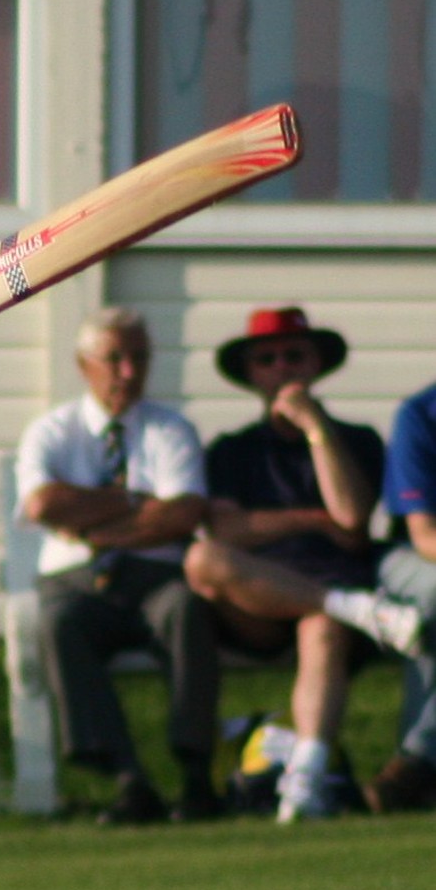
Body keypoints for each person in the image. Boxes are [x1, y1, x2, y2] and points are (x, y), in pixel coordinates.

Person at [184, 306, 423, 823]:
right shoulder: (232, 450)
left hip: (333, 603)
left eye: (294, 356)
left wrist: (315, 428)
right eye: (267, 359)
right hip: (262, 601)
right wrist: (312, 519)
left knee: (321, 625)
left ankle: (306, 780)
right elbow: (226, 531)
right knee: (202, 561)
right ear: (252, 373)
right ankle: (351, 607)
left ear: (315, 364)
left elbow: (352, 517)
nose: (282, 368)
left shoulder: (355, 439)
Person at [14, 307, 221, 825]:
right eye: (114, 359)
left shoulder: (171, 429)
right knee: (58, 623)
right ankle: (128, 778)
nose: (128, 372)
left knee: (186, 609)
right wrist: (134, 501)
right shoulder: (51, 431)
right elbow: (42, 504)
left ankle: (196, 770)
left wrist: (92, 525)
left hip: (155, 578)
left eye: (139, 358)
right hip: (75, 582)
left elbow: (183, 513)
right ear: (84, 365)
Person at [367, 381, 436, 811]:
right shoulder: (421, 412)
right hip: (412, 557)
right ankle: (418, 764)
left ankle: (416, 763)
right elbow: (424, 534)